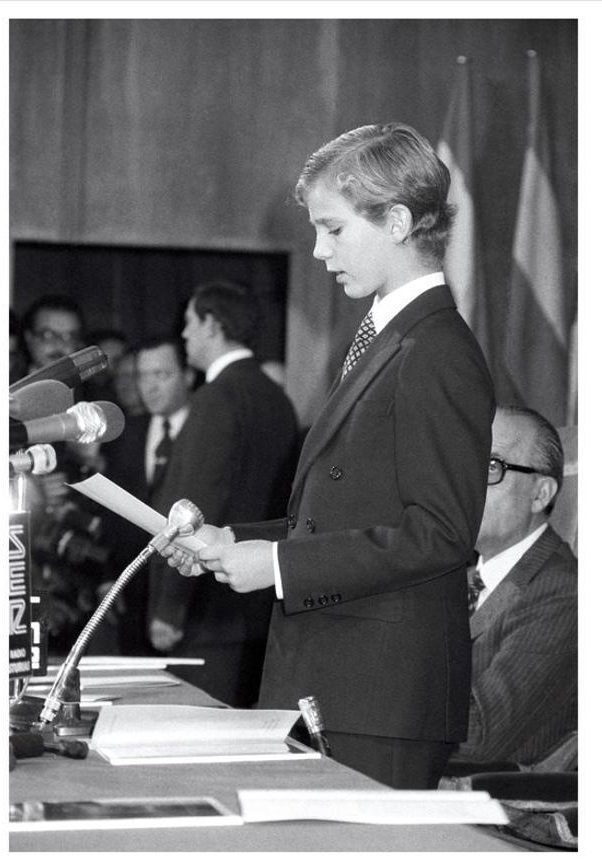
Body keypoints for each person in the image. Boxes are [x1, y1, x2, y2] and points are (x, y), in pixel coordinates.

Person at [159, 123, 494, 788]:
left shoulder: (435, 351)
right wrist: (234, 540)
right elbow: (340, 515)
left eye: (333, 229)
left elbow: (440, 535)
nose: (317, 250)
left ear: (396, 220)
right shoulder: (387, 337)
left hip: (379, 698)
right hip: (337, 684)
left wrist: (278, 564)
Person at [146, 283, 297, 707]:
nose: (185, 335)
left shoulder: (217, 397)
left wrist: (169, 607)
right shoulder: (277, 399)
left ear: (213, 325)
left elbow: (194, 506)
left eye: (190, 323)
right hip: (263, 604)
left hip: (209, 612)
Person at [452, 406, 576, 767]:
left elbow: (476, 738)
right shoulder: (455, 576)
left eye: (491, 467)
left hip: (499, 815)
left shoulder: (564, 595)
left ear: (540, 495)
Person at [97, 335, 194, 656]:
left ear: (188, 375)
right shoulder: (126, 434)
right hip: (132, 597)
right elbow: (112, 513)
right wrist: (107, 577)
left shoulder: (206, 432)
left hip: (190, 601)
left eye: (161, 375)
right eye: (142, 376)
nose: (148, 388)